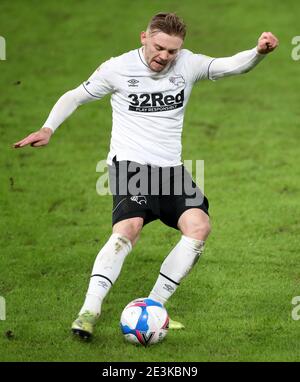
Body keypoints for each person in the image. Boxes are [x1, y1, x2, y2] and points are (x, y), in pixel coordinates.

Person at [14, 13, 278, 339]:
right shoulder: (117, 68)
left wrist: (258, 52)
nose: (165, 57)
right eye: (159, 48)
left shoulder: (188, 65)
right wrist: (48, 128)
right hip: (131, 166)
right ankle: (89, 311)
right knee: (128, 229)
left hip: (170, 171)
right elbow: (76, 95)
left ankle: (154, 307)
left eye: (172, 51)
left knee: (199, 226)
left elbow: (230, 65)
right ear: (144, 38)